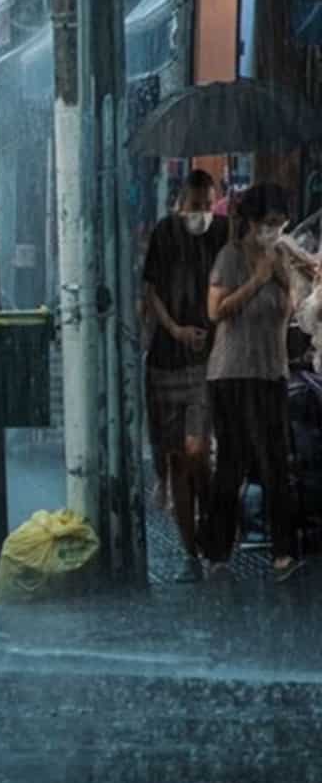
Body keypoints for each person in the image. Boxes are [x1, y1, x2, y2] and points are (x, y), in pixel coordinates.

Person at [204, 183, 302, 581]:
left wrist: (283, 278)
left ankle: (284, 554)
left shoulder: (280, 255)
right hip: (233, 373)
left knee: (278, 464)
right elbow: (215, 311)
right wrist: (257, 280)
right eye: (269, 224)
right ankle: (216, 551)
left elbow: (287, 311)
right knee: (233, 464)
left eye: (280, 224)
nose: (274, 231)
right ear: (252, 223)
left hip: (272, 371)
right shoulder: (231, 256)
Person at [140, 169, 228, 582]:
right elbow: (150, 290)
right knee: (177, 457)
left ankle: (212, 522)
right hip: (166, 359)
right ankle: (190, 549)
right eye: (196, 206)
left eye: (208, 206)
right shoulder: (164, 233)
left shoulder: (224, 232)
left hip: (207, 360)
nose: (202, 214)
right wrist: (174, 329)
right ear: (180, 204)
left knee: (197, 449)